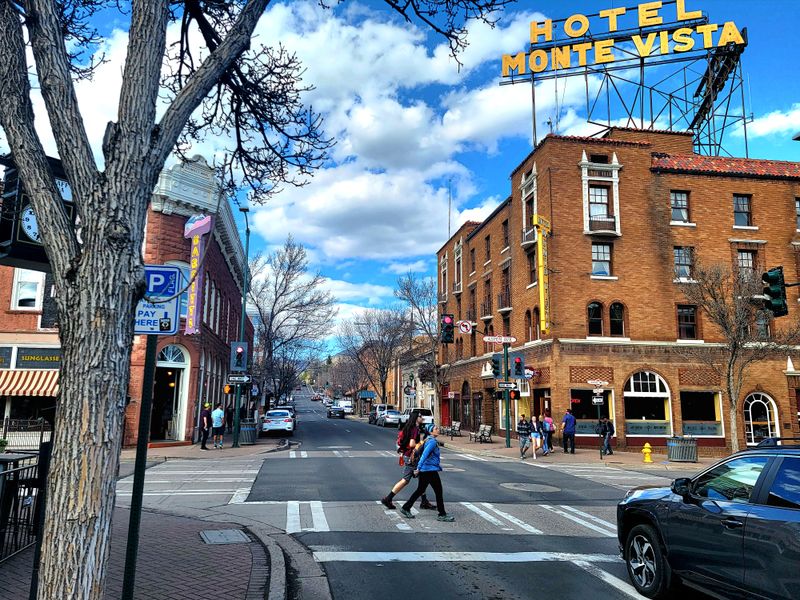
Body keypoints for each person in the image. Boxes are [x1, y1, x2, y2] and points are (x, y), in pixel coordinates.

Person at [400, 425, 454, 522]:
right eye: (436, 429)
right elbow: (424, 455)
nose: (438, 430)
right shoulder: (432, 442)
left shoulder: (428, 440)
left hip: (427, 470)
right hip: (429, 470)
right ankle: (442, 514)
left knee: (420, 490)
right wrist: (418, 468)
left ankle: (406, 507)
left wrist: (420, 468)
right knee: (438, 491)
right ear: (431, 432)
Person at [381, 412, 434, 510]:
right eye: (420, 416)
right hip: (411, 457)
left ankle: (424, 501)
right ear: (416, 418)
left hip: (408, 455)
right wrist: (422, 442)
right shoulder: (414, 429)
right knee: (406, 480)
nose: (422, 417)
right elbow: (412, 444)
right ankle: (388, 498)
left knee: (422, 478)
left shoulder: (409, 427)